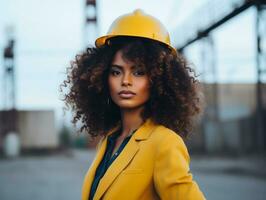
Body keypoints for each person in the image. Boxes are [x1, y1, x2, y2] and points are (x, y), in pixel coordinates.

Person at [62, 9, 206, 200]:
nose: (126, 81)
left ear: (157, 79)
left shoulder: (165, 143)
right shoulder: (108, 140)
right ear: (103, 78)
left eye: (138, 72)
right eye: (116, 72)